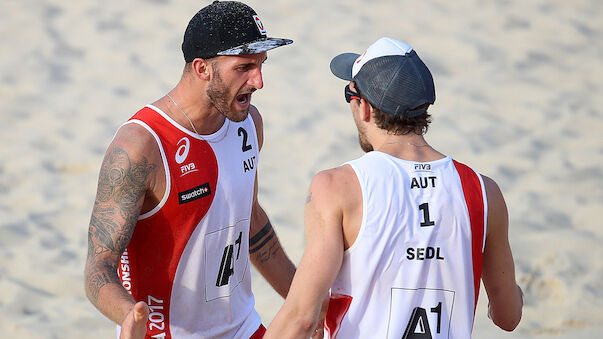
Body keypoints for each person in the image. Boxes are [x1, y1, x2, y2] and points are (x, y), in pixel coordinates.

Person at [264, 37, 523, 339]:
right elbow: (508, 316)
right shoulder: (483, 191)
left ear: (364, 108)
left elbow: (301, 318)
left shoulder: (337, 186)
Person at [84, 1, 297, 338]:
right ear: (201, 68)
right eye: (244, 67)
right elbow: (98, 268)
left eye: (261, 65)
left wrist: (306, 304)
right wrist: (129, 316)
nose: (258, 81)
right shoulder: (141, 145)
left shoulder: (249, 124)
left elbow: (249, 218)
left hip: (243, 327)